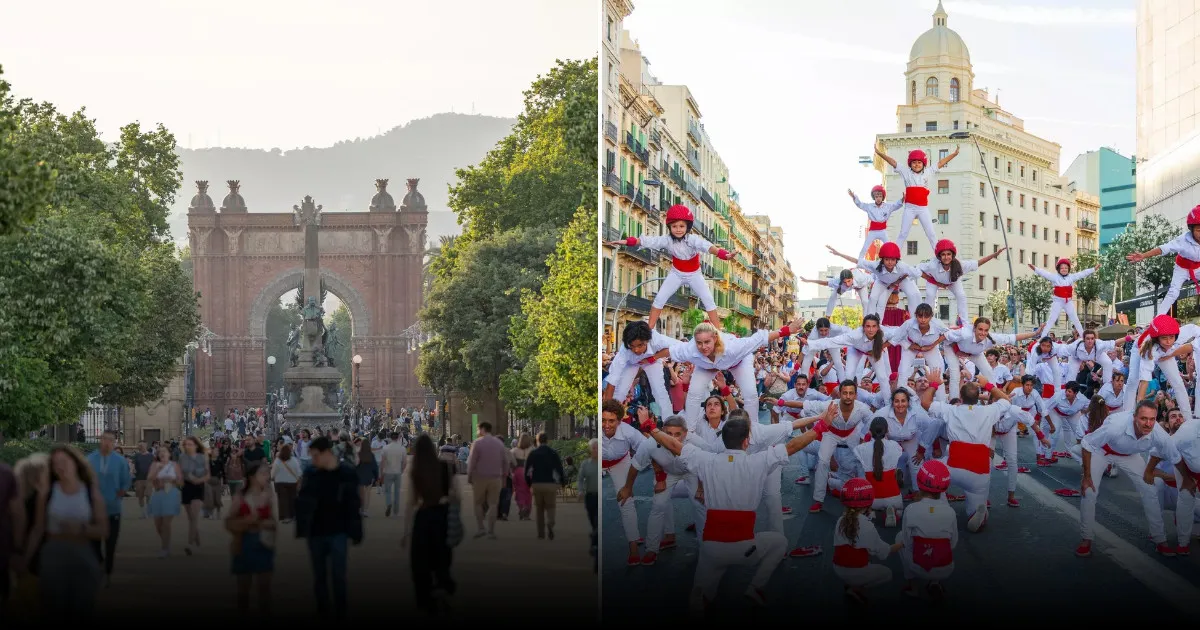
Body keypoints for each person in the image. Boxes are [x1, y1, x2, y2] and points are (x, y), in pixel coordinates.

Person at [641, 411, 824, 611]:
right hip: (745, 549)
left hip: (710, 549)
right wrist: (822, 426)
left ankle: (702, 596)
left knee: (701, 596)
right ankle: (755, 588)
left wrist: (650, 426)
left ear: (723, 440)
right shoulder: (758, 461)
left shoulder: (706, 460)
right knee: (780, 542)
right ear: (746, 442)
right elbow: (793, 446)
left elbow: (674, 446)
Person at [1075, 400, 1186, 557]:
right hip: (1101, 451)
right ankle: (1086, 538)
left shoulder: (1159, 434)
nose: (1148, 424)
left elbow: (1176, 459)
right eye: (1143, 418)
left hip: (1130, 456)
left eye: (1152, 419)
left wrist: (1188, 480)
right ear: (1134, 417)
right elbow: (1087, 443)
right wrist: (1086, 476)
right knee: (1089, 491)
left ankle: (1160, 540)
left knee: (1150, 490)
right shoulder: (1115, 426)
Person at [608, 204, 734, 330]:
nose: (678, 230)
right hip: (676, 273)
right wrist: (627, 241)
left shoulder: (693, 240)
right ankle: (648, 331)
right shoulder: (667, 240)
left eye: (681, 226)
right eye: (674, 226)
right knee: (659, 299)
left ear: (687, 227)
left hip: (694, 274)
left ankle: (718, 333)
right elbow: (649, 241)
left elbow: (708, 247)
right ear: (669, 227)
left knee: (708, 300)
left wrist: (724, 255)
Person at [919, 370, 1011, 533]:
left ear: (960, 398)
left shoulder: (951, 410)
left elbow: (925, 402)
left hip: (953, 466)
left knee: (931, 470)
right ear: (978, 398)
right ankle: (977, 513)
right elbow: (1007, 400)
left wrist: (934, 384)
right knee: (977, 500)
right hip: (979, 471)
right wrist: (988, 385)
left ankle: (940, 507)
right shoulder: (989, 411)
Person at [28, 446, 108, 621]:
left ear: (75, 463)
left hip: (82, 554)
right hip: (53, 555)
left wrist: (82, 529)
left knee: (81, 608)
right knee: (53, 608)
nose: (60, 466)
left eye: (64, 461)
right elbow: (38, 528)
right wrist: (25, 559)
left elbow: (103, 529)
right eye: (55, 463)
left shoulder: (90, 492)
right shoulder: (47, 492)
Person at [295, 436, 363, 619]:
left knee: (339, 576)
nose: (313, 460)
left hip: (339, 531)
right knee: (319, 577)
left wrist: (356, 530)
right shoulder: (311, 473)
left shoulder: (346, 473)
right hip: (316, 532)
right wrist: (302, 524)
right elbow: (303, 500)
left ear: (327, 453)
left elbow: (354, 503)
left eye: (315, 456)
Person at [401, 434, 458, 615]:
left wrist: (406, 531)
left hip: (423, 517)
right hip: (442, 515)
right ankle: (442, 585)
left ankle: (426, 598)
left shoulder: (415, 470)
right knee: (441, 555)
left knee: (420, 561)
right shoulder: (445, 467)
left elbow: (411, 502)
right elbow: (456, 494)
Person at [832, 477, 903, 606]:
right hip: (856, 571)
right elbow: (883, 552)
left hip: (837, 568)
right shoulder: (866, 525)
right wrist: (901, 544)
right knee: (887, 574)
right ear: (869, 502)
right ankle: (856, 589)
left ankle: (852, 584)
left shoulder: (840, 521)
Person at [875, 144, 960, 250]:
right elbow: (893, 162)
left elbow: (940, 163)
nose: (916, 165)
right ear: (910, 164)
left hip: (922, 209)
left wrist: (954, 154)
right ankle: (894, 255)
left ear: (923, 163)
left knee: (931, 234)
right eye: (914, 162)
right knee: (903, 233)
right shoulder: (905, 172)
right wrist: (879, 153)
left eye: (919, 162)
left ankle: (938, 255)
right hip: (909, 208)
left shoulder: (928, 172)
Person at [897, 460, 958, 601]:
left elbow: (907, 542)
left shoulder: (911, 509)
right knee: (942, 540)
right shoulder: (950, 511)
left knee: (900, 538)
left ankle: (913, 586)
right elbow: (953, 543)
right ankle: (935, 582)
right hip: (946, 568)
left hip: (918, 565)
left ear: (919, 482)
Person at [1125, 203, 1200, 314]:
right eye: (1199, 230)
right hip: (1182, 268)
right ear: (1191, 229)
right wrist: (1144, 255)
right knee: (1173, 292)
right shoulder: (1183, 240)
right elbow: (1164, 248)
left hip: (1197, 267)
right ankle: (1158, 318)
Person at [604, 320, 680, 421]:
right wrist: (606, 410)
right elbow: (612, 381)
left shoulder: (656, 339)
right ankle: (611, 419)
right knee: (620, 392)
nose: (636, 350)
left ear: (647, 340)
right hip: (631, 363)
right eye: (632, 346)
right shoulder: (624, 352)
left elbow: (678, 347)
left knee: (659, 391)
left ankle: (670, 422)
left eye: (640, 345)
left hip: (652, 361)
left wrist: (654, 358)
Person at [226, 460, 276, 616]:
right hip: (244, 541)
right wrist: (247, 521)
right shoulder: (241, 496)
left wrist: (266, 524)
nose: (267, 477)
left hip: (264, 542)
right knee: (243, 588)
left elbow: (273, 521)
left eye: (267, 473)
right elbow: (229, 521)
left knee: (264, 587)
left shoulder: (268, 495)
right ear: (252, 477)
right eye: (263, 473)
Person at [919, 240, 1005, 325]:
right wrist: (936, 282)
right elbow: (917, 270)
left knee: (961, 295)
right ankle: (927, 319)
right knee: (930, 295)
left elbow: (978, 263)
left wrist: (994, 255)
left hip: (952, 282)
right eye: (943, 254)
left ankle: (964, 323)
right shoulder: (932, 265)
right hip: (933, 280)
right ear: (939, 256)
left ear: (952, 255)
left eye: (948, 254)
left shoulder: (960, 265)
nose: (946, 257)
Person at [826, 242, 921, 317]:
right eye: (887, 259)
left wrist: (898, 281)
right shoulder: (875, 265)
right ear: (882, 260)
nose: (890, 262)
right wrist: (839, 254)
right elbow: (856, 261)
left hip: (901, 279)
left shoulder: (902, 266)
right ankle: (873, 323)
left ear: (896, 260)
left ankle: (916, 320)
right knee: (874, 299)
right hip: (883, 282)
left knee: (914, 294)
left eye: (892, 260)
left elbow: (916, 273)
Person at [85, 430, 130, 582]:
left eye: (111, 440)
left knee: (111, 542)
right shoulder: (90, 459)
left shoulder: (120, 461)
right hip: (94, 508)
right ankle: (99, 564)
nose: (107, 443)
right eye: (105, 439)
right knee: (94, 542)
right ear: (100, 440)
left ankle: (108, 570)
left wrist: (120, 492)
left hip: (113, 508)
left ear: (114, 442)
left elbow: (125, 480)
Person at [465, 422, 514, 539]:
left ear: (482, 429)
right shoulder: (499, 443)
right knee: (493, 504)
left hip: (480, 477)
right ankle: (491, 531)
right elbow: (505, 462)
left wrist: (469, 475)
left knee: (478, 503)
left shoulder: (477, 443)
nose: (477, 432)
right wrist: (504, 477)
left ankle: (481, 528)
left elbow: (472, 461)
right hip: (496, 477)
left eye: (478, 429)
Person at [1027, 259, 1099, 336]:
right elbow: (1044, 273)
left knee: (1075, 319)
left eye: (1066, 268)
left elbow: (1082, 274)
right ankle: (1043, 336)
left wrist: (1093, 269)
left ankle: (1082, 336)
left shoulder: (1071, 277)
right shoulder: (1054, 277)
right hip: (1058, 302)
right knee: (1052, 319)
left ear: (1068, 269)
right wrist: (1035, 268)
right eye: (1062, 268)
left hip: (1068, 302)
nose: (1064, 269)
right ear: (1058, 269)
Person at [854, 417, 904, 527]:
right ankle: (894, 512)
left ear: (870, 431)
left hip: (872, 500)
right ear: (887, 431)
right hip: (894, 498)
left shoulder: (860, 449)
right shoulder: (895, 445)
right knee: (899, 510)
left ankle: (870, 512)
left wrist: (866, 439)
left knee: (862, 475)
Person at [525, 432, 567, 541]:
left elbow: (527, 470)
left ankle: (541, 533)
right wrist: (563, 482)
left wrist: (529, 483)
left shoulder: (533, 453)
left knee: (539, 509)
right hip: (550, 484)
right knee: (551, 506)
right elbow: (559, 468)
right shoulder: (553, 453)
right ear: (547, 441)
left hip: (537, 484)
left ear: (537, 441)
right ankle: (550, 523)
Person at [848, 185, 904, 259]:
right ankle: (860, 261)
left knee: (889, 246)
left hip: (883, 231)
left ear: (882, 197)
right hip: (873, 231)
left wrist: (903, 199)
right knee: (865, 247)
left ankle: (894, 261)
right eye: (876, 196)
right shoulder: (869, 206)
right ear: (874, 197)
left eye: (880, 196)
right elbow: (860, 204)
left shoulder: (887, 206)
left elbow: (896, 205)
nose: (878, 198)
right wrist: (854, 196)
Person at [147, 445, 182, 557]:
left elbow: (180, 481)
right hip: (158, 494)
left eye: (164, 451)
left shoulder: (174, 465)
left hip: (171, 493)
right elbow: (149, 478)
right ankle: (166, 543)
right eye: (160, 452)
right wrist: (158, 470)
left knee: (166, 523)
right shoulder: (154, 464)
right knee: (158, 524)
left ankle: (165, 548)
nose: (162, 453)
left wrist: (173, 479)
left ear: (169, 454)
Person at [178, 436, 208, 556]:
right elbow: (180, 473)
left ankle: (190, 544)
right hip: (186, 487)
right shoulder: (182, 457)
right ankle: (198, 544)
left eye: (190, 444)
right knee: (191, 519)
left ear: (196, 445)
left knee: (194, 517)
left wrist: (198, 480)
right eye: (185, 444)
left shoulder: (202, 457)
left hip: (198, 487)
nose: (187, 446)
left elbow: (207, 474)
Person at [579, 438, 599, 573]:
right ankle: (594, 538)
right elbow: (580, 479)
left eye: (597, 448)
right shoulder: (586, 464)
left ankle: (596, 545)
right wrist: (580, 491)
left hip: (599, 497)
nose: (596, 450)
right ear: (590, 450)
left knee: (598, 523)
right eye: (594, 448)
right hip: (590, 497)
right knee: (593, 522)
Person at [379, 432, 408, 518]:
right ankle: (396, 512)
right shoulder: (402, 448)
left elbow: (382, 462)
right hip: (398, 472)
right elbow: (405, 462)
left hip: (388, 472)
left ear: (390, 438)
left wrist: (381, 473)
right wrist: (402, 470)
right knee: (397, 492)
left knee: (387, 491)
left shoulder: (385, 448)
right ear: (398, 438)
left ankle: (389, 503)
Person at [271, 444, 301, 523]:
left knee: (282, 500)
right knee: (292, 499)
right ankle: (293, 515)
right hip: (292, 482)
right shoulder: (294, 460)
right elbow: (299, 472)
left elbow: (273, 472)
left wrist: (272, 477)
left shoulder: (278, 460)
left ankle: (284, 517)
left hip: (280, 483)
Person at [131, 441, 154, 519]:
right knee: (140, 496)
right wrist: (132, 469)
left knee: (148, 495)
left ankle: (147, 511)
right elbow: (133, 464)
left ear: (146, 445)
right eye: (139, 445)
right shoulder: (137, 455)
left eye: (142, 445)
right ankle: (143, 513)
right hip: (139, 479)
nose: (140, 447)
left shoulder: (151, 455)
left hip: (148, 479)